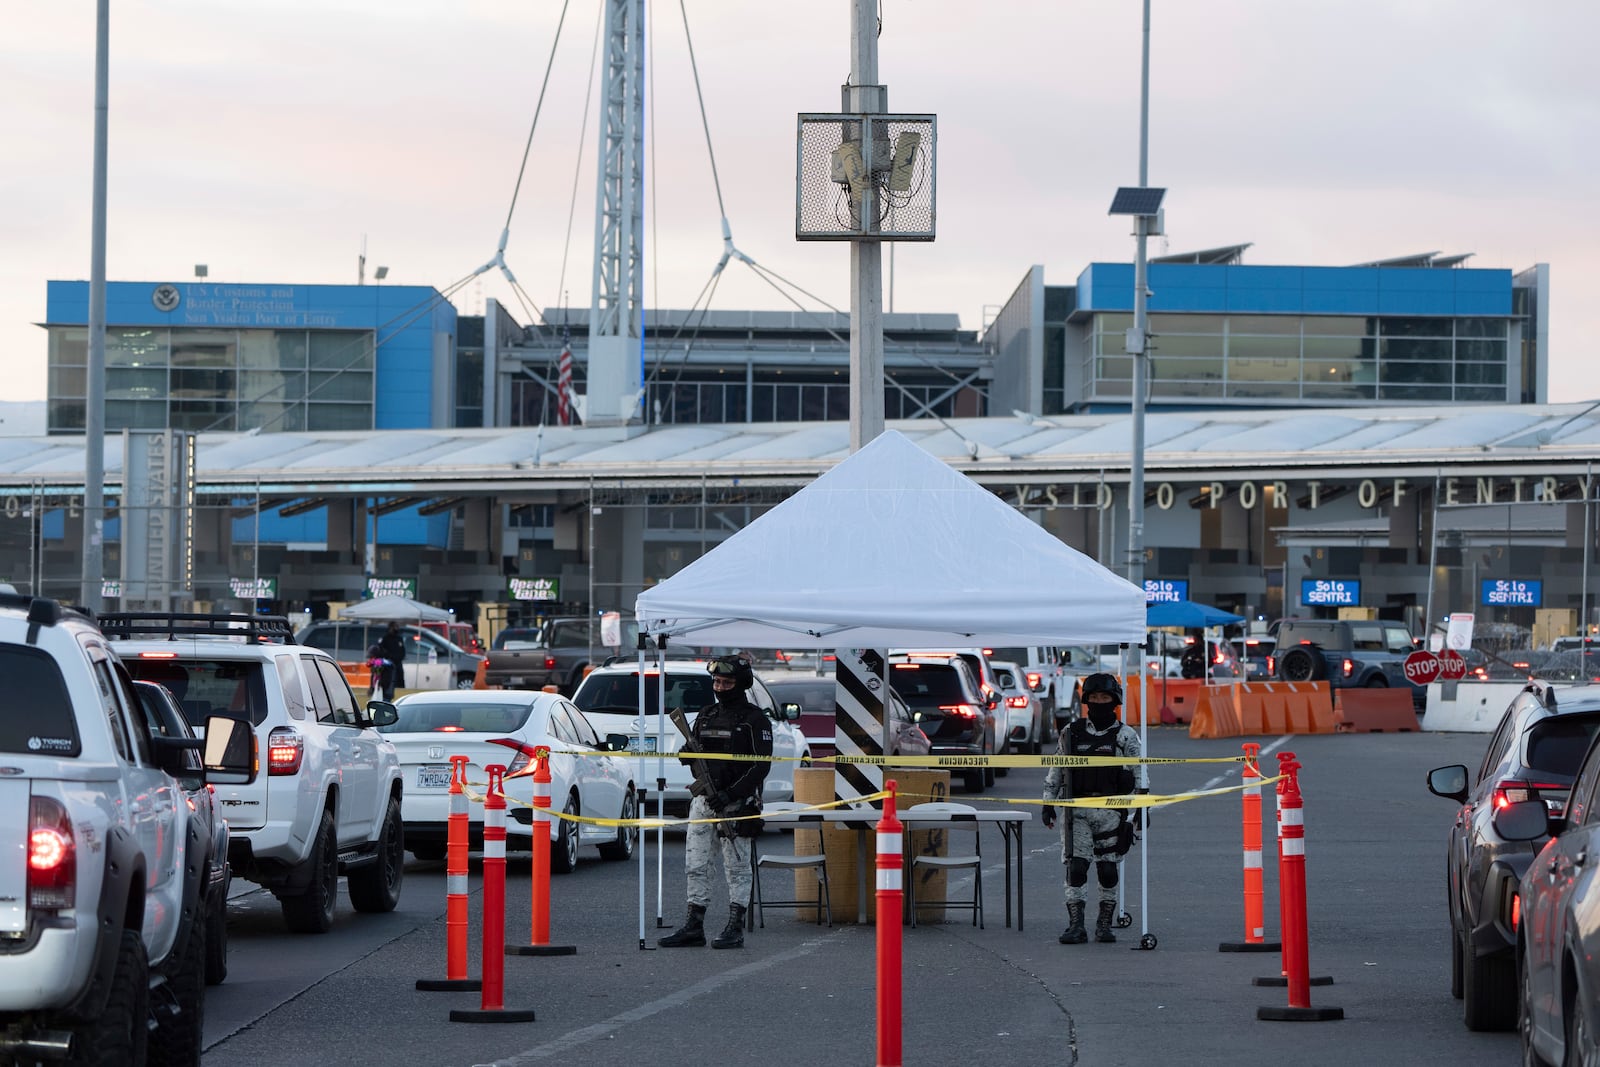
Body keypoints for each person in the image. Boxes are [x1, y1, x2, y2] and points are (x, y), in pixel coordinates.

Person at [658, 654, 774, 950]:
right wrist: (687, 754)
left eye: (727, 682)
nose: (720, 687)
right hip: (703, 801)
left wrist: (731, 794)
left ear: (741, 684)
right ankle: (694, 925)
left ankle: (735, 927)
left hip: (737, 804)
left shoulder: (755, 719)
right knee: (695, 864)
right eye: (717, 681)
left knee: (736, 866)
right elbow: (695, 747)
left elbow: (761, 766)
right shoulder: (706, 715)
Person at [1041, 672, 1147, 944]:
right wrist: (1048, 802)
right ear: (1086, 700)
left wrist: (1143, 808)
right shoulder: (1071, 733)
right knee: (1076, 868)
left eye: (1105, 697)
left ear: (1115, 701)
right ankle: (1076, 925)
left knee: (1108, 871)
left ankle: (1104, 924)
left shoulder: (1125, 736)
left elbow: (1139, 773)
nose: (1099, 702)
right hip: (1076, 810)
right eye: (1095, 697)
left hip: (1113, 811)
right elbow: (1056, 769)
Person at [377, 622, 406, 701]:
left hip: (398, 664)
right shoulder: (385, 639)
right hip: (389, 666)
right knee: (389, 682)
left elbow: (403, 652)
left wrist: (398, 658)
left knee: (399, 681)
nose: (396, 629)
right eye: (395, 627)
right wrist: (390, 658)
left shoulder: (399, 638)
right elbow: (382, 652)